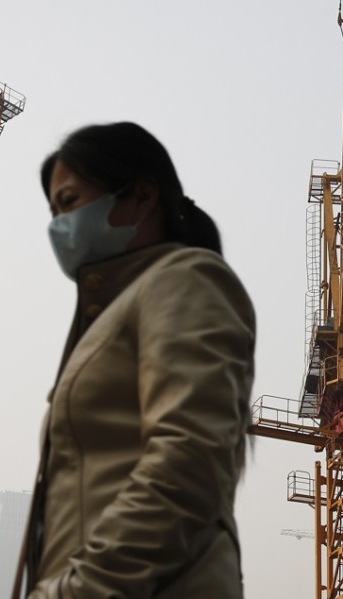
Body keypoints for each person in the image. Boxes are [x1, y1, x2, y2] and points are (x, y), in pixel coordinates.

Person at [16, 122, 256, 599]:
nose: (58, 226)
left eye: (69, 201)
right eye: (52, 211)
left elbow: (187, 460)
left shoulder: (183, 279)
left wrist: (78, 590)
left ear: (141, 195)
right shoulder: (114, 316)